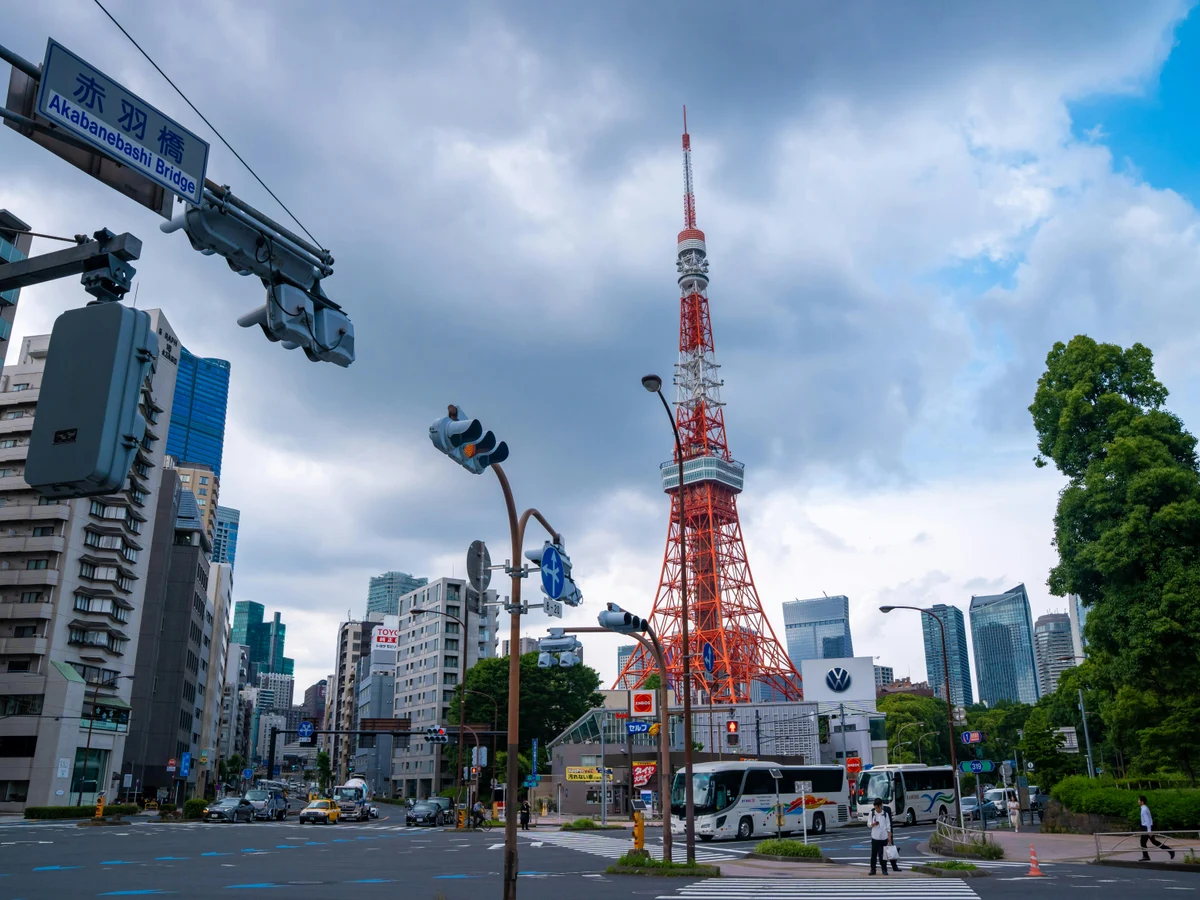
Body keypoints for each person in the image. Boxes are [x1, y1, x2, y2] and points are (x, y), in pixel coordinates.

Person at [1139, 796, 1175, 861]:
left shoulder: (1144, 810)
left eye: (1139, 800)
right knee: (1153, 841)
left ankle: (1146, 856)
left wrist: (1149, 831)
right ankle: (1170, 850)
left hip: (1146, 828)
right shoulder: (1145, 808)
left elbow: (1147, 820)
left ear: (1142, 802)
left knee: (1143, 842)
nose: (1138, 801)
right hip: (1147, 827)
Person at [868, 798, 891, 876]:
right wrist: (873, 824)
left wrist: (889, 836)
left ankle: (884, 869)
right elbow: (868, 824)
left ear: (881, 806)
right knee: (873, 854)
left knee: (883, 855)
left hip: (883, 837)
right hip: (875, 837)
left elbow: (888, 825)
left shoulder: (885, 814)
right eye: (875, 807)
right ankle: (873, 869)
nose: (877, 809)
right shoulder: (872, 813)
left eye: (878, 807)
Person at [881, 804, 901, 872]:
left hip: (888, 832)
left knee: (891, 849)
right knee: (881, 852)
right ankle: (884, 868)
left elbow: (890, 822)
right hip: (879, 835)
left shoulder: (887, 809)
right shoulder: (873, 811)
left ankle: (894, 866)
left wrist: (890, 832)